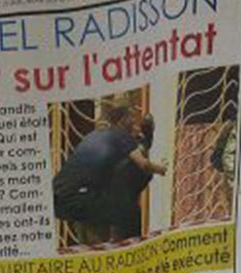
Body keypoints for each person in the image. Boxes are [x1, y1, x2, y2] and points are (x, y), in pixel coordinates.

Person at [52, 103, 165, 245]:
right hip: (83, 198)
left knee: (95, 210)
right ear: (122, 121)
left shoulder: (94, 135)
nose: (135, 124)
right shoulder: (121, 136)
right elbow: (143, 164)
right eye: (132, 119)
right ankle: (119, 240)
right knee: (128, 198)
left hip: (58, 201)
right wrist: (161, 169)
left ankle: (96, 241)